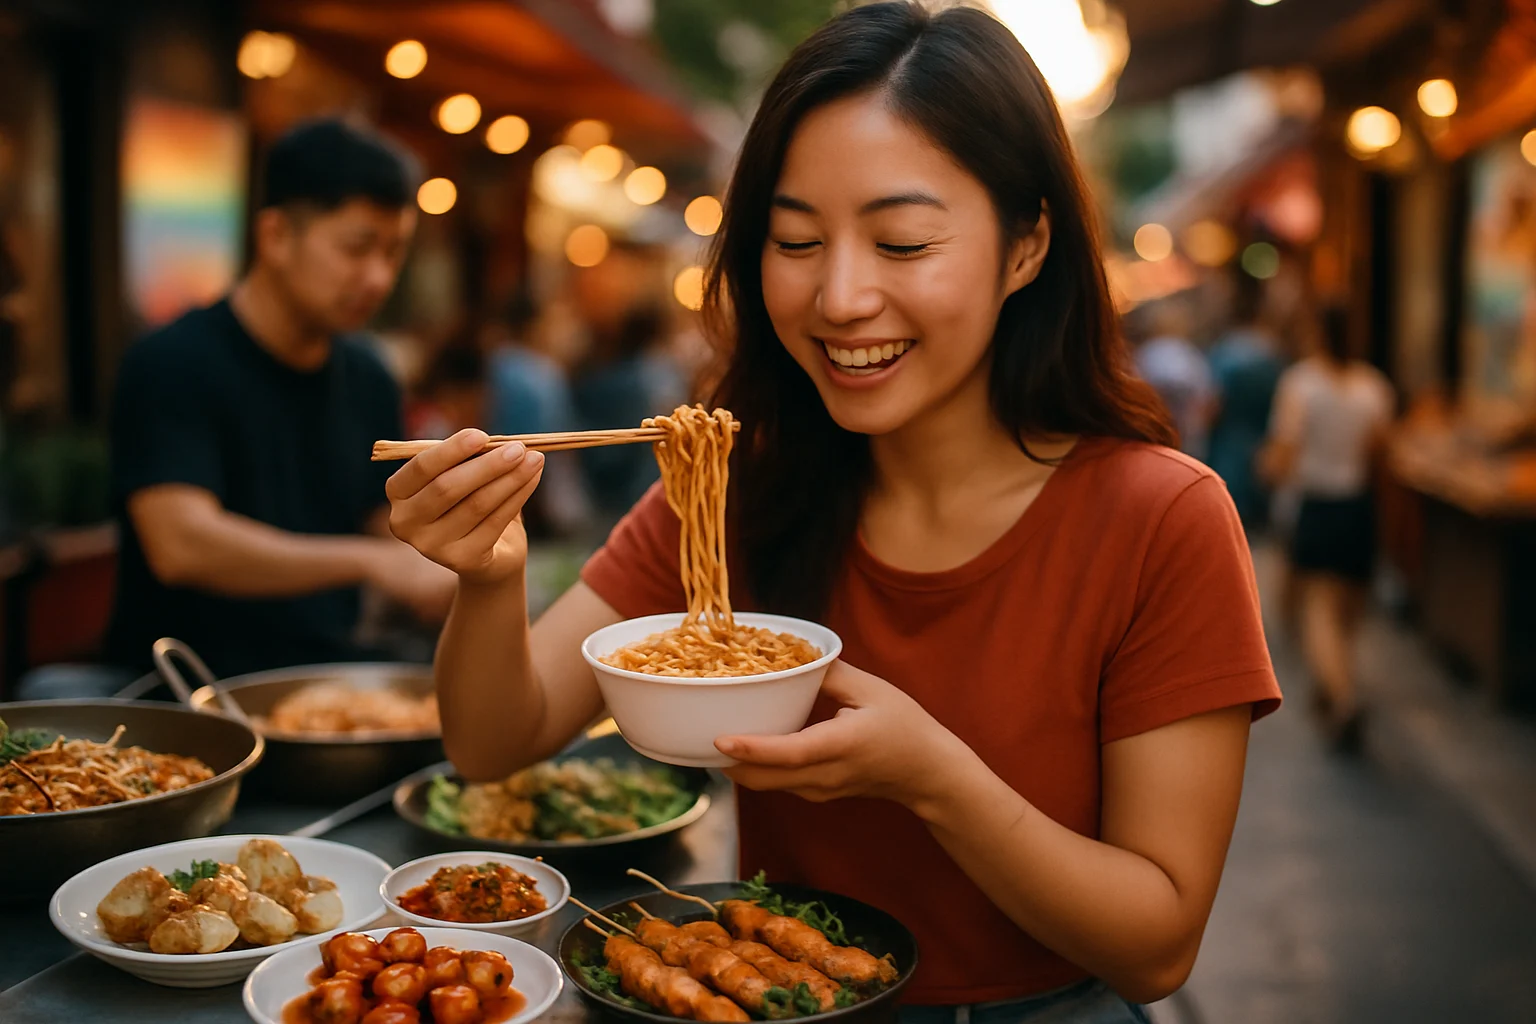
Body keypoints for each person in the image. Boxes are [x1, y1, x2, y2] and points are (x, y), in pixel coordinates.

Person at [385, 4, 1280, 1019]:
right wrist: (490, 573)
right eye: (796, 240)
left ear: (1026, 246)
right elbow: (494, 740)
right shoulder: (734, 479)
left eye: (901, 243)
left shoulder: (1162, 518)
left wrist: (934, 777)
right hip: (769, 997)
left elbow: (1158, 945)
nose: (841, 297)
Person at [105, 119, 455, 678]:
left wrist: (452, 553)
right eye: (357, 248)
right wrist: (371, 562)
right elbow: (181, 544)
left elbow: (384, 524)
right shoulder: (173, 362)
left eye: (393, 253)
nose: (377, 278)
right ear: (275, 238)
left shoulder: (368, 376)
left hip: (325, 676)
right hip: (184, 685)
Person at [1260, 304, 1393, 751]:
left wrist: (1267, 469)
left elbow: (1284, 454)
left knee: (1318, 606)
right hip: (1358, 507)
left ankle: (1342, 697)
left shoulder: (1302, 383)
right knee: (1347, 611)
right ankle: (1335, 683)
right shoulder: (1373, 387)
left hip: (1315, 505)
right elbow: (1379, 454)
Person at [1207, 272, 1285, 529]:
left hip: (1231, 442)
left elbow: (1214, 403)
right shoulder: (1272, 351)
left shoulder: (1225, 352)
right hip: (1260, 438)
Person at [1132, 299, 1216, 461]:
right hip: (1189, 444)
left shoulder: (1145, 355)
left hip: (1152, 440)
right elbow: (1209, 402)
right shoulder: (1191, 355)